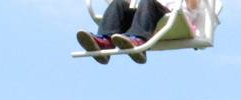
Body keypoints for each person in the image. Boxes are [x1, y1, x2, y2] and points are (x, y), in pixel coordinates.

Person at [77, 0, 205, 63]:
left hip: (174, 17)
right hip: (145, 16)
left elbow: (193, 5)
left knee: (148, 1)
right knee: (119, 3)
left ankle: (138, 40)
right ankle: (105, 41)